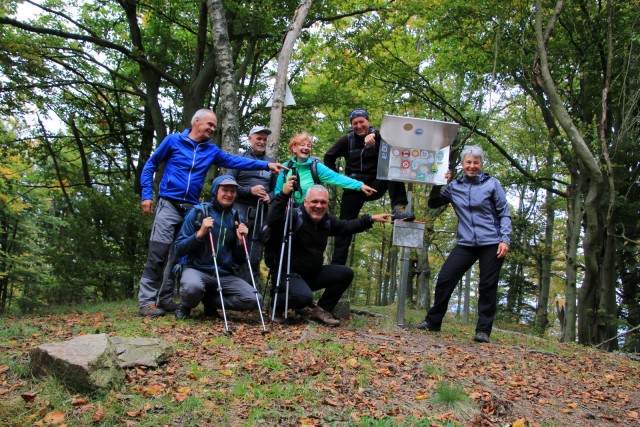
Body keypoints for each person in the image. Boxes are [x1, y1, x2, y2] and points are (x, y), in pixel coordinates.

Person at [137, 109, 285, 317]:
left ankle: (165, 299)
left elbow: (236, 161)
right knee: (158, 253)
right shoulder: (173, 141)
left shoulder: (211, 150)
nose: (213, 129)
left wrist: (266, 165)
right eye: (210, 125)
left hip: (191, 207)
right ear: (196, 121)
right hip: (168, 203)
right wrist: (147, 194)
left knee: (178, 254)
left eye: (214, 126)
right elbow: (151, 164)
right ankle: (146, 302)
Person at [264, 176, 392, 326]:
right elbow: (272, 220)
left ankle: (322, 310)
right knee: (304, 298)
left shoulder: (327, 221)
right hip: (288, 275)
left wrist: (370, 218)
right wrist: (284, 194)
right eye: (314, 201)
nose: (319, 206)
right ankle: (276, 305)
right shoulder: (293, 216)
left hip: (311, 274)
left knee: (345, 273)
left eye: (323, 202)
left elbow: (346, 227)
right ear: (305, 202)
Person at [416, 145, 511, 343]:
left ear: (481, 164)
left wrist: (504, 239)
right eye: (468, 162)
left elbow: (504, 213)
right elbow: (433, 203)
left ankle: (483, 331)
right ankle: (433, 322)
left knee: (487, 285)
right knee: (445, 278)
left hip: (492, 242)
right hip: (466, 242)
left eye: (476, 162)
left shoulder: (492, 184)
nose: (472, 166)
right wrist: (440, 181)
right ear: (462, 164)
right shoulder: (455, 186)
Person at [324, 108, 415, 266]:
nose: (359, 126)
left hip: (376, 184)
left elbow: (397, 139)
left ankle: (399, 208)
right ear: (351, 125)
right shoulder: (346, 140)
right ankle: (337, 266)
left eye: (362, 122)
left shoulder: (381, 136)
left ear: (368, 121)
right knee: (344, 225)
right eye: (355, 123)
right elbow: (328, 157)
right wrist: (338, 179)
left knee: (392, 171)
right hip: (355, 186)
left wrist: (376, 135)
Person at [173, 175, 263, 320]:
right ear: (216, 191)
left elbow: (239, 261)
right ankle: (186, 305)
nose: (229, 194)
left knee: (254, 299)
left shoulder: (236, 218)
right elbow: (179, 249)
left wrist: (241, 242)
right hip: (197, 269)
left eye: (233, 191)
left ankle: (211, 302)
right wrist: (200, 233)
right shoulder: (198, 212)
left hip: (224, 274)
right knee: (192, 288)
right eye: (225, 190)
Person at [228, 126, 277, 286]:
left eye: (264, 139)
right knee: (236, 250)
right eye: (258, 138)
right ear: (250, 139)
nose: (262, 142)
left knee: (255, 255)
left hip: (261, 215)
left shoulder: (271, 163)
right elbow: (228, 186)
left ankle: (248, 296)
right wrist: (250, 190)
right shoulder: (238, 160)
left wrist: (269, 197)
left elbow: (277, 190)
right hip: (239, 211)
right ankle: (229, 292)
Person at [274, 132, 376, 206]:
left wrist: (360, 185)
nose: (306, 148)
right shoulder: (285, 167)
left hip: (307, 215)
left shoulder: (316, 167)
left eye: (309, 146)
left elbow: (337, 178)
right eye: (302, 145)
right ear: (294, 148)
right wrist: (282, 203)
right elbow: (278, 190)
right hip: (286, 214)